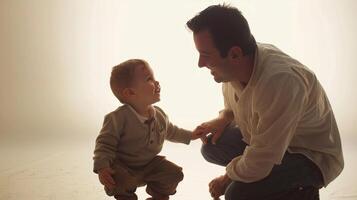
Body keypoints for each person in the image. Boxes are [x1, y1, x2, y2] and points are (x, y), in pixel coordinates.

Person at [186, 4, 344, 200]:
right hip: (274, 142)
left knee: (236, 193)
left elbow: (262, 159)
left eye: (206, 55)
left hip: (309, 155)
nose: (200, 63)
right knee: (212, 146)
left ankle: (303, 190)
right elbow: (238, 107)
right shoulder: (235, 67)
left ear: (234, 54)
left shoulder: (281, 81)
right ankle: (272, 182)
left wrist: (227, 178)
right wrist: (223, 118)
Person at [93, 59, 202, 200]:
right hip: (124, 166)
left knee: (174, 174)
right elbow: (104, 144)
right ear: (130, 93)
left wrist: (191, 135)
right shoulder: (118, 118)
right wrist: (102, 167)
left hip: (150, 165)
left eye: (155, 78)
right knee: (117, 178)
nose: (156, 82)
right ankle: (125, 197)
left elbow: (172, 131)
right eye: (149, 79)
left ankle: (158, 194)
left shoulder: (159, 114)